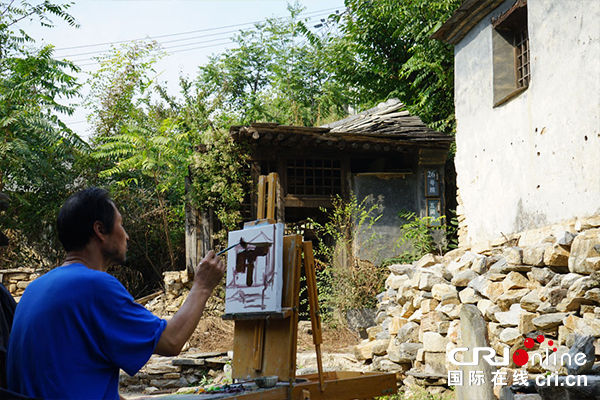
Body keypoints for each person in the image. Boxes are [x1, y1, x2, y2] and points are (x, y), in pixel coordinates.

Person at [6, 187, 226, 400]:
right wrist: (203, 286)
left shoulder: (35, 288)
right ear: (100, 230)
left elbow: (65, 377)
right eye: (121, 225)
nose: (127, 236)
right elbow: (171, 341)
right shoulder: (94, 286)